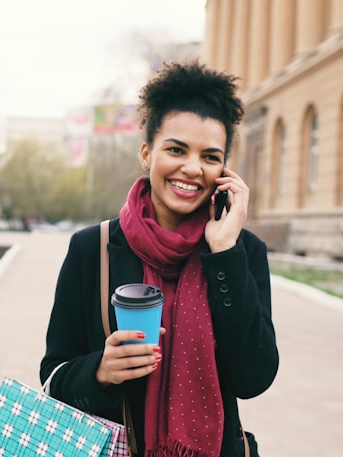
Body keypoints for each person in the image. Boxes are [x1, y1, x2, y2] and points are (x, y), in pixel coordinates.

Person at [40, 60, 279, 457]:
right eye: (176, 149)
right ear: (147, 152)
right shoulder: (93, 248)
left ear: (224, 170)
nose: (191, 168)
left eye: (210, 156)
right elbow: (54, 376)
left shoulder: (241, 251)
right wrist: (100, 371)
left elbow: (254, 377)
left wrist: (224, 253)